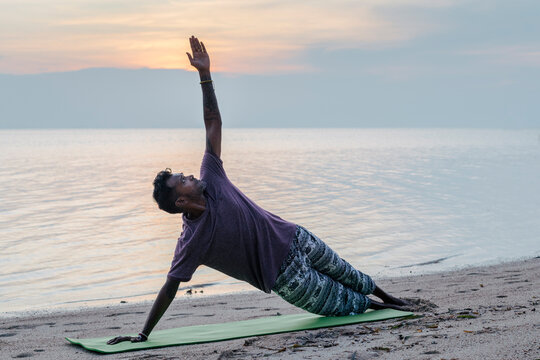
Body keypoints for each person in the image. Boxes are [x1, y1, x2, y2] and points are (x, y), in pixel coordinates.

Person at [107, 36, 408, 345]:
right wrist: (143, 334)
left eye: (183, 174)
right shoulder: (192, 242)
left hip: (295, 238)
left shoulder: (212, 177)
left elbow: (212, 122)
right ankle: (384, 308)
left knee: (352, 275)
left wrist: (204, 75)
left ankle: (396, 302)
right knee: (349, 303)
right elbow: (170, 286)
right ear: (181, 200)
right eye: (181, 180)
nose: (188, 175)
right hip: (286, 278)